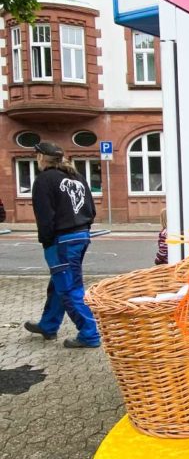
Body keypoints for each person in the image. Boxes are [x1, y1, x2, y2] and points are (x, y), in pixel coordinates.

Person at [24, 142, 101, 348]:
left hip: (61, 240)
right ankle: (48, 325)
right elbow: (91, 210)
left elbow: (45, 217)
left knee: (69, 287)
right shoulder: (77, 176)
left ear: (40, 157)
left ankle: (90, 334)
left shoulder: (43, 180)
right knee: (60, 283)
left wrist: (47, 242)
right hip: (81, 235)